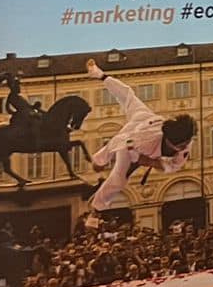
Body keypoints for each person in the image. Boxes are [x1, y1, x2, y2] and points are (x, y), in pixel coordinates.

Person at [83, 59, 196, 213]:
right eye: (181, 145)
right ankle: (99, 74)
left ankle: (96, 208)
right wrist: (101, 160)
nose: (185, 147)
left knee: (128, 95)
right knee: (119, 177)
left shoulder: (186, 140)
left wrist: (151, 162)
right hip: (135, 132)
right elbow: (121, 140)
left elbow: (174, 166)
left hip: (146, 116)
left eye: (186, 143)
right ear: (169, 141)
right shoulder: (145, 140)